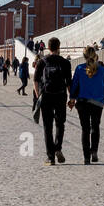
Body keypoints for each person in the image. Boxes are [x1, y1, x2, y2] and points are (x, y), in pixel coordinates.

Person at [68, 46, 104, 165]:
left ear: (84, 56)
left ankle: (86, 157)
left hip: (83, 103)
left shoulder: (79, 68)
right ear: (94, 55)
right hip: (98, 103)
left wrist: (72, 100)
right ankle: (94, 152)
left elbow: (74, 87)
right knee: (95, 127)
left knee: (85, 129)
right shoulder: (102, 69)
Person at [34, 37, 73, 165]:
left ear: (48, 47)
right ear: (58, 47)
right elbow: (69, 83)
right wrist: (72, 98)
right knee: (60, 124)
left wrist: (38, 94)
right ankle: (58, 148)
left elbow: (35, 80)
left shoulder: (42, 61)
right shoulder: (65, 63)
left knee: (47, 126)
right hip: (61, 96)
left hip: (46, 95)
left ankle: (50, 157)